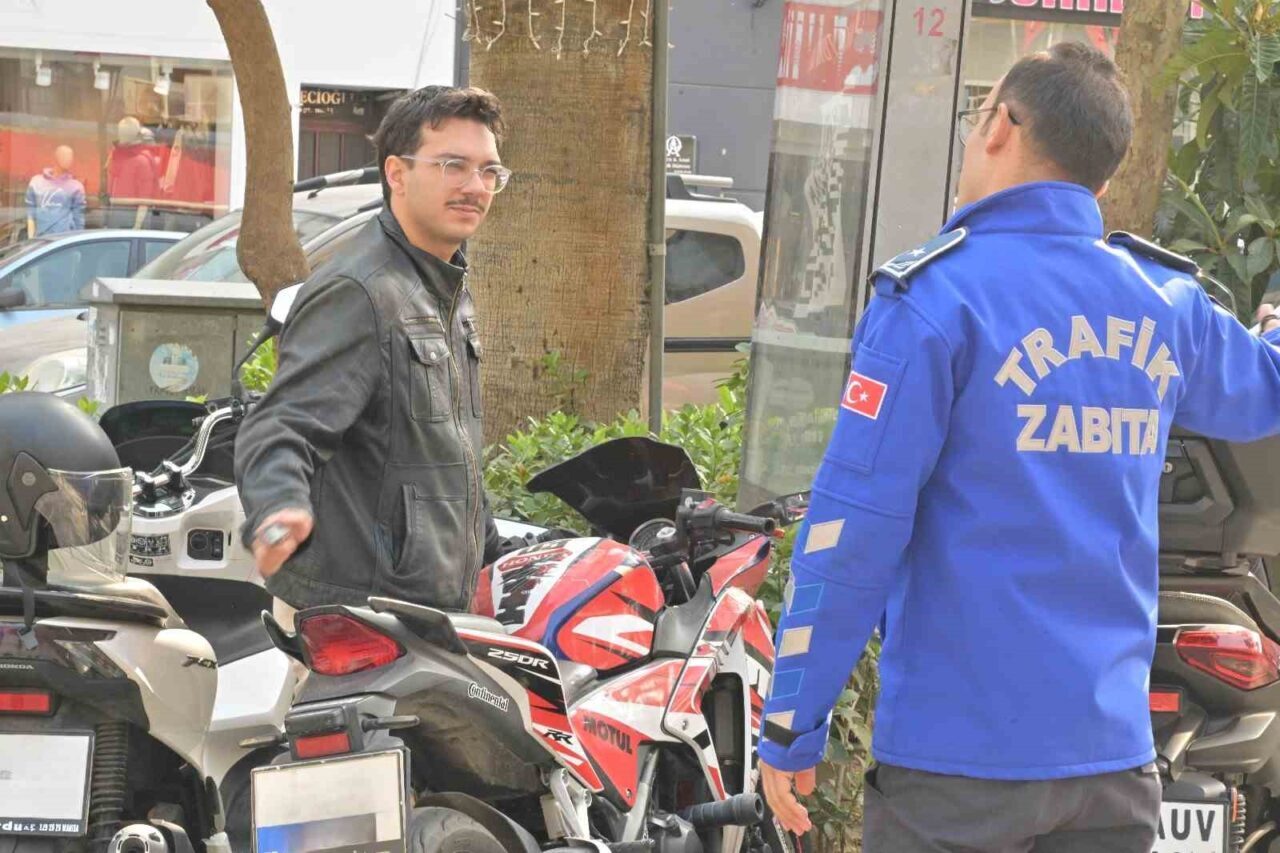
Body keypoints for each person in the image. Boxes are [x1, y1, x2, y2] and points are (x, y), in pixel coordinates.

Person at [757, 42, 1280, 852]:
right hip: (1113, 769)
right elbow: (1266, 389)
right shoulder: (1164, 304)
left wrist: (793, 722)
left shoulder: (933, 299)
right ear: (1100, 175)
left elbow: (851, 532)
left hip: (956, 771)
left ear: (1001, 125)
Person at [234, 86, 514, 627]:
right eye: (453, 166)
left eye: (488, 171)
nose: (475, 186)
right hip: (358, 621)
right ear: (397, 173)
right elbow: (281, 425)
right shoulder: (360, 291)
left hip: (424, 614)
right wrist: (278, 508)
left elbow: (446, 454)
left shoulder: (446, 285)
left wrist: (492, 553)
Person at [25, 145, 85, 237]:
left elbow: (79, 219)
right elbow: (30, 214)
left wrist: (77, 240)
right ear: (56, 157)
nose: (68, 159)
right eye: (64, 155)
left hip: (64, 240)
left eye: (71, 156)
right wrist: (31, 238)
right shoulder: (36, 182)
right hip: (41, 239)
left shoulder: (76, 187)